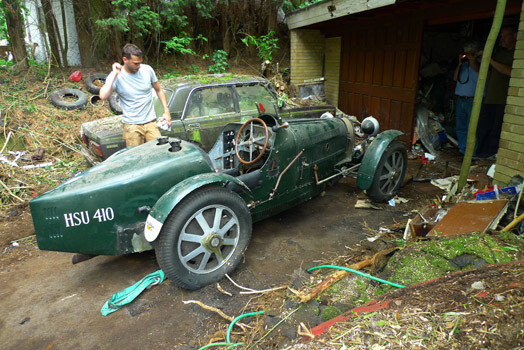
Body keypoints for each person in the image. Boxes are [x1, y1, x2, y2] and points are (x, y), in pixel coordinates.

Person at [100, 43, 171, 147]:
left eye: (140, 63)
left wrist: (166, 111)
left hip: (150, 122)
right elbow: (103, 95)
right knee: (136, 159)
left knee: (158, 154)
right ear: (125, 60)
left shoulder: (147, 70)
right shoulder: (117, 76)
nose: (139, 66)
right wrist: (114, 73)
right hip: (132, 125)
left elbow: (159, 90)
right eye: (135, 63)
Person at [476, 24, 517, 159]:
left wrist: (489, 59)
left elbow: (510, 71)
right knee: (483, 128)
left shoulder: (516, 54)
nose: (502, 39)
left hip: (502, 100)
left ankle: (490, 156)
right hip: (490, 98)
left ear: (515, 36)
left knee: (495, 131)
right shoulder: (501, 53)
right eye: (501, 36)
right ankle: (481, 155)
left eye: (505, 35)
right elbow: (489, 75)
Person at [453, 40, 481, 155]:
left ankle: (471, 153)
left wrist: (472, 60)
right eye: (466, 53)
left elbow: (478, 70)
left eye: (470, 53)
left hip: (473, 101)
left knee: (472, 128)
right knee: (461, 127)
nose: (467, 55)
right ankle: (462, 150)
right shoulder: (464, 65)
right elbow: (455, 78)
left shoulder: (480, 64)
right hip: (460, 99)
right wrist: (460, 63)